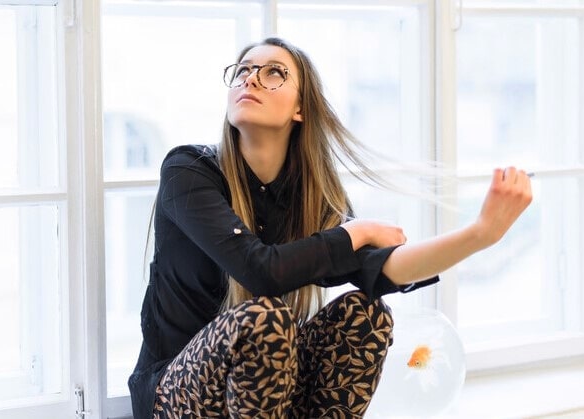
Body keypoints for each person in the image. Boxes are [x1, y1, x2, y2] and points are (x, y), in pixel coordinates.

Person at [127, 37, 532, 419]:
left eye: (273, 72)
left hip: (267, 396)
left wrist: (480, 234)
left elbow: (390, 268)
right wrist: (355, 232)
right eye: (243, 70)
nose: (250, 77)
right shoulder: (189, 171)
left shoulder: (309, 200)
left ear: (300, 108)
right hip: (175, 392)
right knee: (265, 319)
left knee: (366, 313)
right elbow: (259, 270)